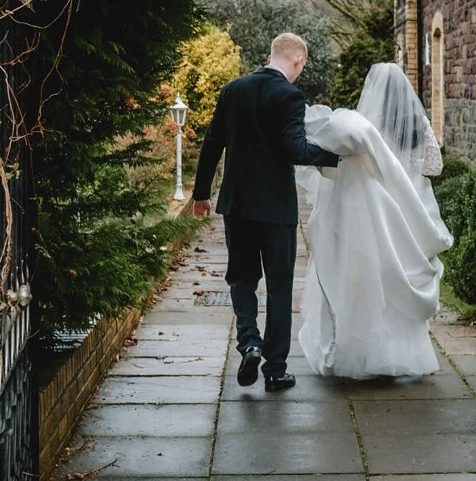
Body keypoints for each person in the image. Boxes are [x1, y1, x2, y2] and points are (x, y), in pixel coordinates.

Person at [188, 32, 340, 391]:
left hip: (237, 205)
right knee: (279, 286)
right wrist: (335, 156)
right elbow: (296, 151)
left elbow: (212, 143)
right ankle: (275, 370)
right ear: (298, 61)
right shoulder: (289, 95)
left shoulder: (232, 90)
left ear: (270, 54)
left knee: (241, 278)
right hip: (276, 209)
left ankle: (249, 342)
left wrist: (201, 193)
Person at [296, 62, 454, 379]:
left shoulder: (365, 127)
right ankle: (403, 357)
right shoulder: (417, 125)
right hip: (409, 206)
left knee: (369, 278)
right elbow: (433, 166)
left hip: (375, 210)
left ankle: (365, 352)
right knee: (400, 275)